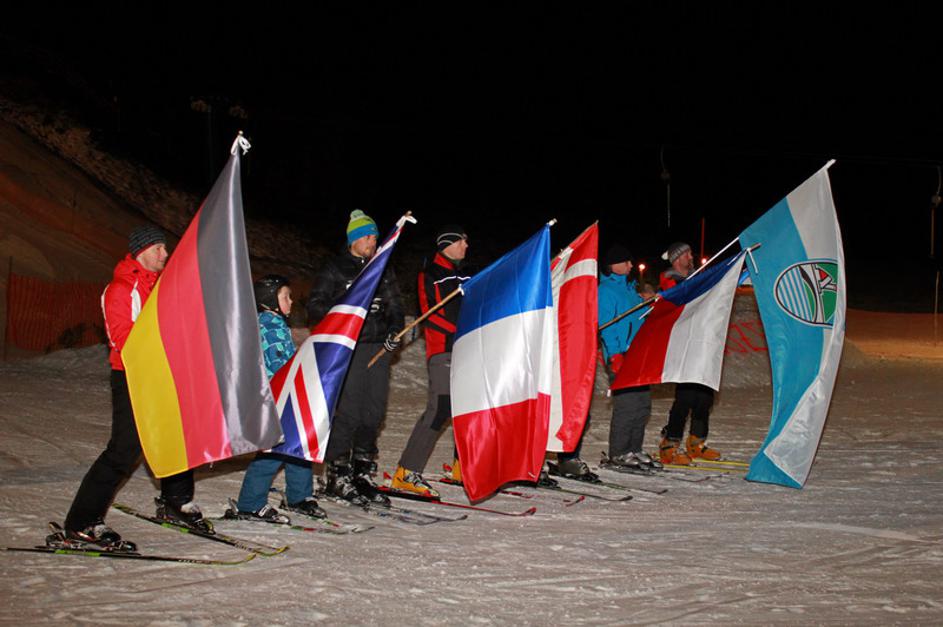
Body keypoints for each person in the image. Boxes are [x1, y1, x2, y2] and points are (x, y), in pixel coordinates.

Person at [59, 226, 207, 550]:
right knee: (123, 452)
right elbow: (122, 339)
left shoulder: (161, 287)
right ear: (142, 251)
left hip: (162, 375)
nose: (165, 254)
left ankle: (176, 500)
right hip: (132, 376)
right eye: (159, 249)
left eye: (165, 248)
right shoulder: (122, 289)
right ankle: (82, 522)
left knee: (177, 437)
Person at [306, 210, 404, 506]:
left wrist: (395, 331)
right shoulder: (336, 268)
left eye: (375, 237)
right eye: (368, 237)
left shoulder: (382, 267)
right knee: (349, 413)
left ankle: (362, 470)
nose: (373, 242)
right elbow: (315, 306)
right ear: (354, 239)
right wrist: (347, 311)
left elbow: (396, 306)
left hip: (378, 348)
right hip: (349, 348)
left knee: (373, 413)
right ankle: (337, 473)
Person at [224, 275, 326, 523]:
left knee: (298, 443)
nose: (291, 302)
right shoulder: (270, 325)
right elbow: (281, 365)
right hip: (275, 397)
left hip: (284, 394)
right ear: (270, 300)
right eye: (285, 297)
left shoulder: (275, 323)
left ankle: (298, 496)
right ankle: (250, 504)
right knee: (275, 450)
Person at [389, 226, 470, 496]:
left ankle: (462, 467)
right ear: (447, 244)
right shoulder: (430, 274)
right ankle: (406, 471)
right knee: (440, 408)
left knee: (467, 408)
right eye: (461, 241)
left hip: (468, 350)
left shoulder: (467, 275)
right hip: (443, 349)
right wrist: (460, 331)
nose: (466, 246)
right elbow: (430, 315)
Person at [594, 244, 658, 470]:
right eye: (626, 262)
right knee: (627, 405)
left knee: (642, 405)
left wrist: (650, 303)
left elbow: (639, 318)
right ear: (613, 265)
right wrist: (614, 355)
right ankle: (619, 452)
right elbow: (606, 326)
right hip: (620, 354)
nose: (631, 265)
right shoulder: (605, 291)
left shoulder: (630, 289)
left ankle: (634, 448)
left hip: (637, 353)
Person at [657, 241, 722, 464]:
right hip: (683, 345)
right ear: (677, 259)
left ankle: (697, 441)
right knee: (685, 397)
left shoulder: (697, 277)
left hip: (701, 342)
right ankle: (670, 443)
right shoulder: (670, 281)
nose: (691, 257)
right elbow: (678, 299)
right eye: (687, 254)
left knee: (705, 395)